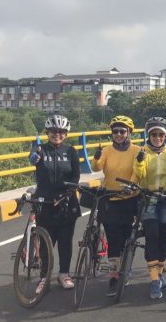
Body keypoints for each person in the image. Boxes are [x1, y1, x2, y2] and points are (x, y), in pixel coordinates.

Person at [90, 115, 141, 297]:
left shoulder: (137, 150)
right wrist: (96, 158)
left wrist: (131, 186)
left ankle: (125, 270)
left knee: (127, 238)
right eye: (115, 131)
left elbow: (138, 172)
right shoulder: (107, 150)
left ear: (129, 133)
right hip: (109, 199)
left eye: (122, 131)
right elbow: (96, 168)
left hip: (129, 198)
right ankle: (113, 276)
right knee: (113, 240)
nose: (119, 134)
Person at [29, 115, 81, 293]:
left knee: (66, 241)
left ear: (66, 134)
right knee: (46, 243)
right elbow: (33, 158)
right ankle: (44, 277)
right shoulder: (40, 149)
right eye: (53, 131)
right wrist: (34, 157)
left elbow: (75, 177)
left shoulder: (71, 151)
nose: (57, 134)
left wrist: (67, 195)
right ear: (47, 133)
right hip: (46, 204)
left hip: (67, 204)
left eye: (61, 132)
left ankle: (64, 274)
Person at [133, 117, 166, 299]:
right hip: (149, 199)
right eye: (153, 134)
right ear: (148, 135)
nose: (157, 138)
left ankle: (159, 274)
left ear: (165, 136)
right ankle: (154, 280)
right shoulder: (142, 153)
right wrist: (139, 162)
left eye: (161, 134)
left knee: (163, 238)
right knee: (152, 236)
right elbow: (139, 175)